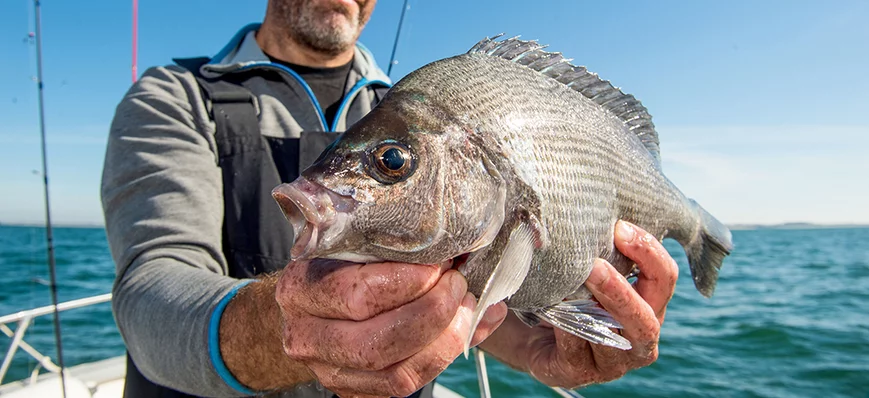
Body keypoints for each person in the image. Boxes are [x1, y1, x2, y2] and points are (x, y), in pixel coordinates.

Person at [101, 0, 680, 396]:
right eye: (391, 160)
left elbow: (465, 288)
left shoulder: (414, 101)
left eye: (391, 161)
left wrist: (535, 346)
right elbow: (151, 297)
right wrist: (283, 324)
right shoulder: (175, 96)